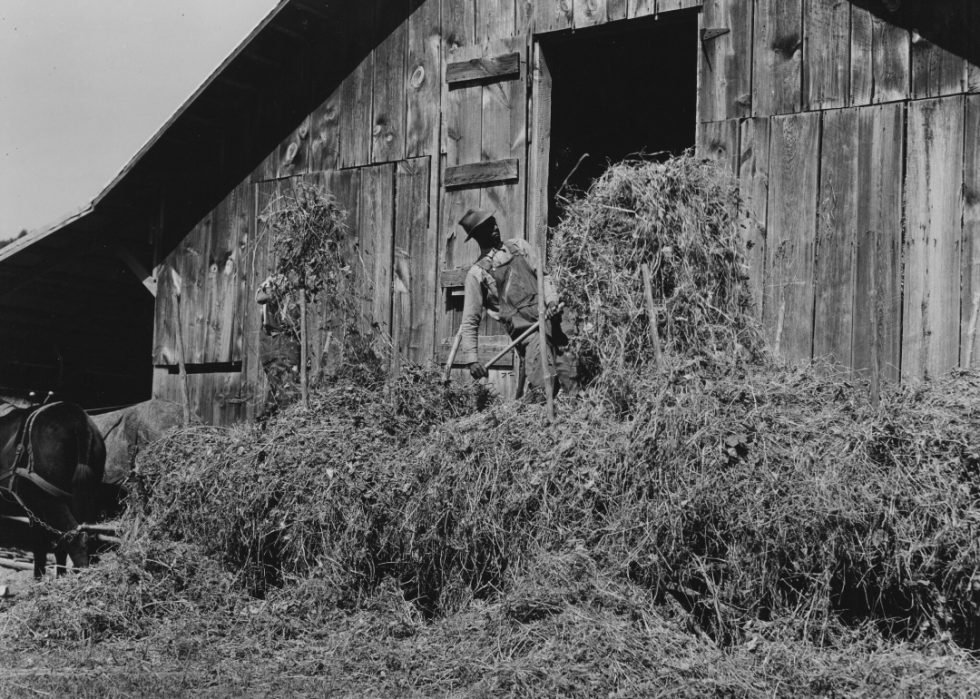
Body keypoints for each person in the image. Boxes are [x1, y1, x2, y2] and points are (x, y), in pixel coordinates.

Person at [457, 208, 578, 397]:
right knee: (544, 385)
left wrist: (552, 302)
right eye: (488, 226)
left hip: (552, 319)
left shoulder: (519, 247)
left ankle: (578, 411)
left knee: (572, 373)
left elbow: (543, 278)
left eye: (494, 222)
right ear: (477, 235)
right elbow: (470, 321)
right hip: (527, 333)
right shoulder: (477, 274)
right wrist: (472, 360)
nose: (495, 227)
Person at [255, 277, 300, 414]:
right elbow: (260, 297)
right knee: (282, 383)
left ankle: (267, 418)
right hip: (275, 339)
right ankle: (275, 418)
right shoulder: (276, 283)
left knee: (280, 385)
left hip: (275, 340)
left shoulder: (279, 288)